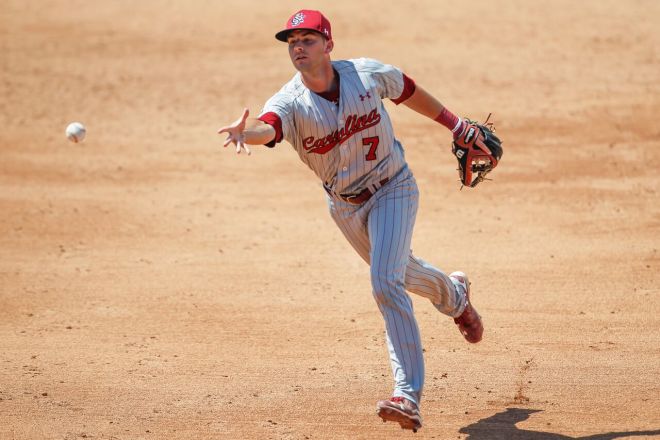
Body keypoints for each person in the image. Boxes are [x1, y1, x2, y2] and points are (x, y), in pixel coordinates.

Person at [218, 9, 484, 433]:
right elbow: (269, 128)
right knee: (401, 271)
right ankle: (454, 295)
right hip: (345, 206)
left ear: (328, 45)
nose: (298, 47)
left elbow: (408, 89)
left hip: (393, 186)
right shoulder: (289, 102)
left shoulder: (366, 75)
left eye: (307, 39)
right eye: (292, 42)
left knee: (384, 280)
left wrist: (456, 125)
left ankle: (407, 395)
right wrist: (243, 134)